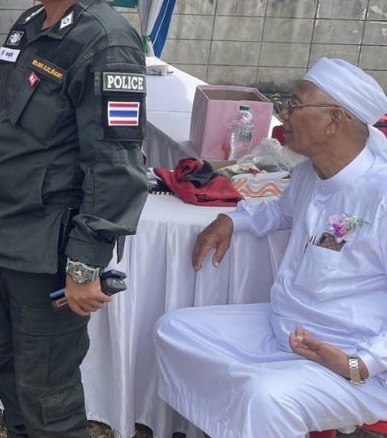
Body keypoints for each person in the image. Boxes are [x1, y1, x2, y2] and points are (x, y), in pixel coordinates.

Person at [0, 0, 148, 437]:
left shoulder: (107, 41)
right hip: (9, 231)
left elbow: (116, 163)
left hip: (52, 245)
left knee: (48, 391)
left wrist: (86, 262)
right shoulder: (28, 24)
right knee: (8, 368)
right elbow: (6, 130)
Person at [155, 58, 387, 438]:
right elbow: (280, 211)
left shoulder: (381, 195)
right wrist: (232, 220)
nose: (284, 115)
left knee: (266, 397)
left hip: (353, 359)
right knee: (174, 330)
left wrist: (360, 363)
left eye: (295, 105)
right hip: (284, 327)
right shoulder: (310, 173)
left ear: (334, 120)